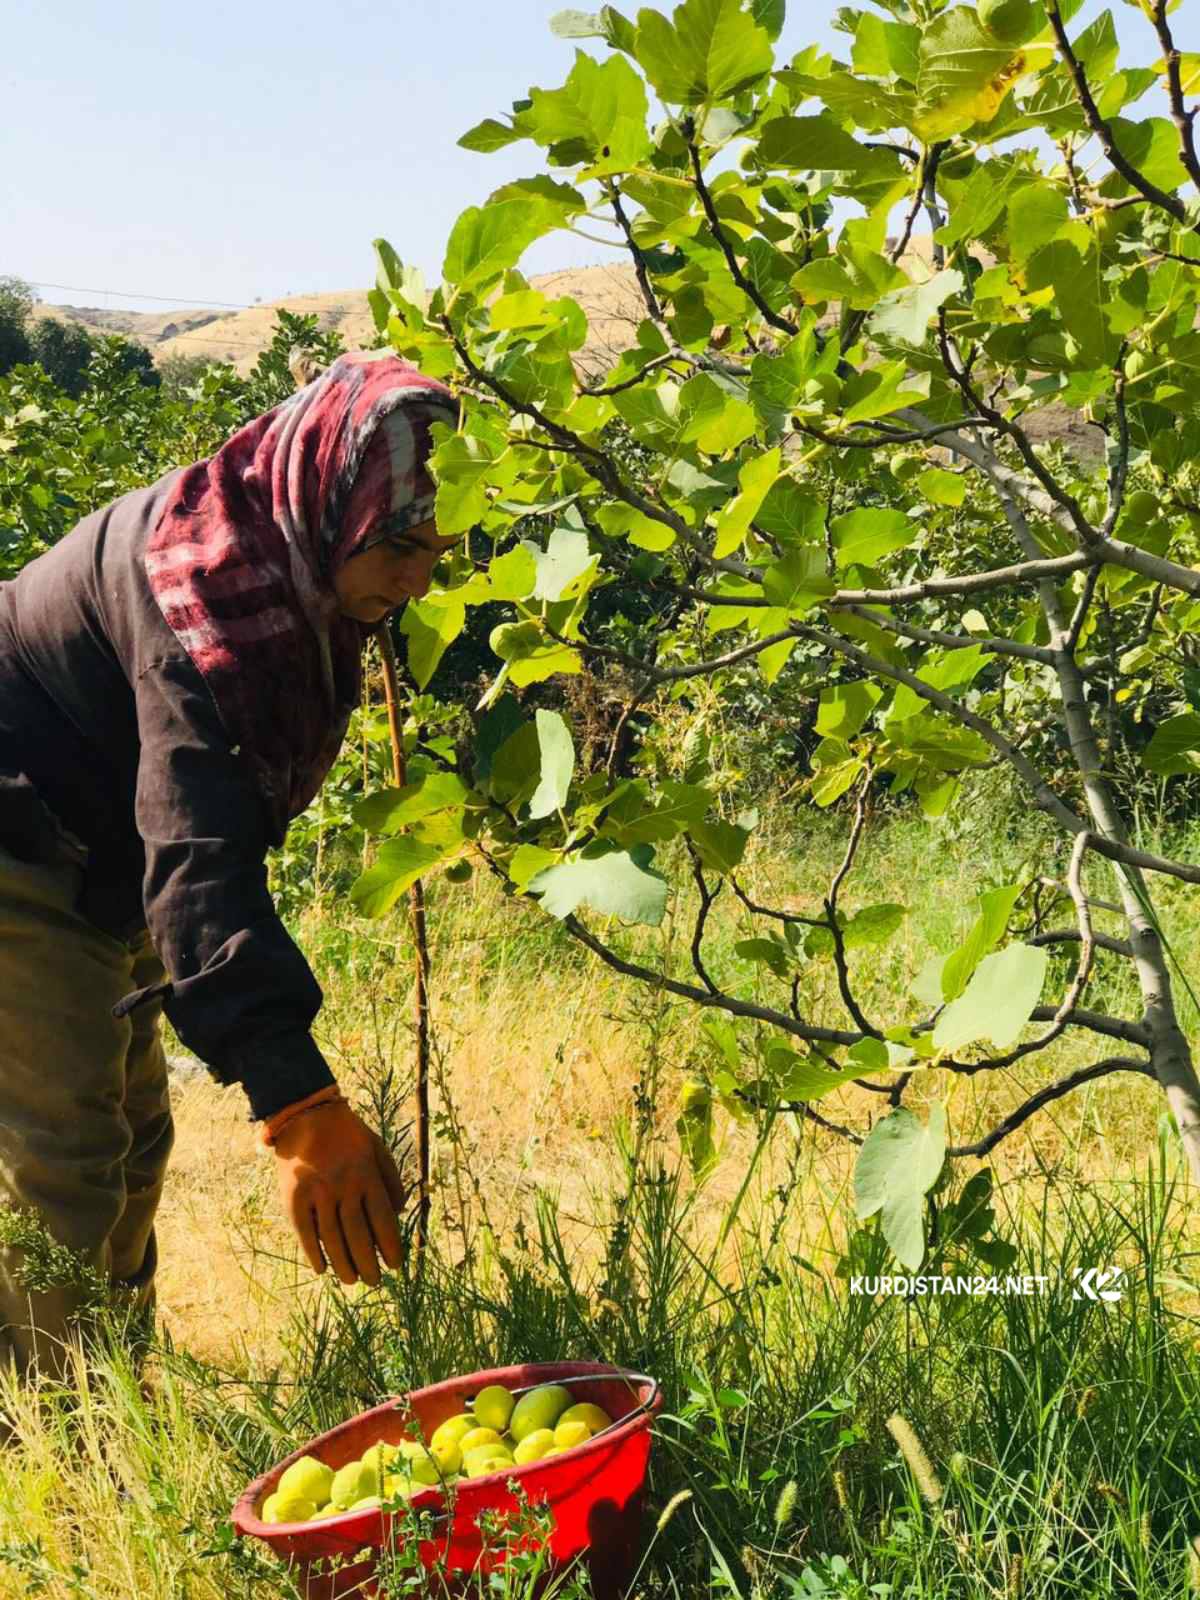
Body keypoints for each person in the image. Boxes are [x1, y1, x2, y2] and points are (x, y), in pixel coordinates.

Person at [0, 351, 463, 1377]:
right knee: (69, 1161)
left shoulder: (279, 545)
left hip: (97, 844)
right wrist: (299, 1106)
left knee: (134, 1137)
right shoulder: (207, 602)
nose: (417, 576)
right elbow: (200, 856)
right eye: (396, 541)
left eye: (438, 548)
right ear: (330, 498)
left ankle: (107, 1387)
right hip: (20, 831)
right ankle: (56, 1438)